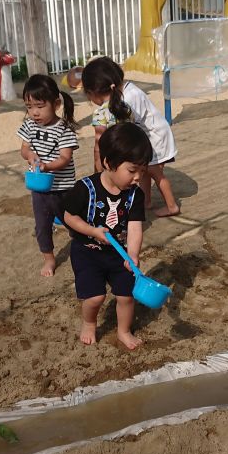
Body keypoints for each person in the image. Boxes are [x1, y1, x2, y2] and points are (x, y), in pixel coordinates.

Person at [64, 123, 153, 350]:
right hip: (87, 251)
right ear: (108, 163)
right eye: (132, 171)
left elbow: (134, 227)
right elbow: (69, 217)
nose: (137, 177)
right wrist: (93, 231)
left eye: (142, 171)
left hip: (119, 253)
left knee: (126, 296)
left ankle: (124, 331)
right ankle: (89, 322)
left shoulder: (135, 195)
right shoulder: (85, 188)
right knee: (95, 298)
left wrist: (132, 253)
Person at [81, 56, 180, 218]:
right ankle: (145, 201)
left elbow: (125, 130)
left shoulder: (128, 98)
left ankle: (172, 206)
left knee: (155, 173)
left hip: (154, 138)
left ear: (94, 93)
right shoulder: (121, 95)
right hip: (147, 135)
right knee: (144, 171)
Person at [17, 74, 79, 277]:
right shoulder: (29, 126)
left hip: (64, 189)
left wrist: (46, 166)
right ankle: (49, 259)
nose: (34, 112)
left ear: (56, 103)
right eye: (29, 106)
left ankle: (82, 247)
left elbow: (65, 158)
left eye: (40, 106)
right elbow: (24, 149)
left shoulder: (64, 130)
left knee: (73, 222)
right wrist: (30, 155)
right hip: (40, 189)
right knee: (42, 226)